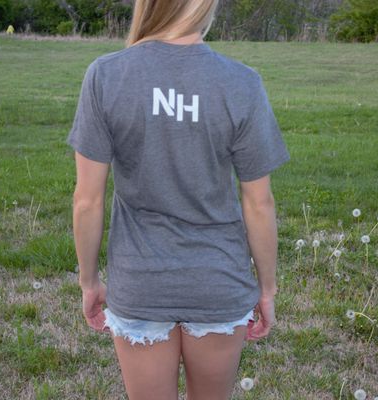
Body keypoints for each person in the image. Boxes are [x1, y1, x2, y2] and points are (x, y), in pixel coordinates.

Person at [66, 0, 290, 399]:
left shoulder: (106, 75)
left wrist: (89, 281)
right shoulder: (241, 82)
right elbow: (259, 203)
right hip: (218, 281)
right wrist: (266, 288)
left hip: (141, 283)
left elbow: (87, 200)